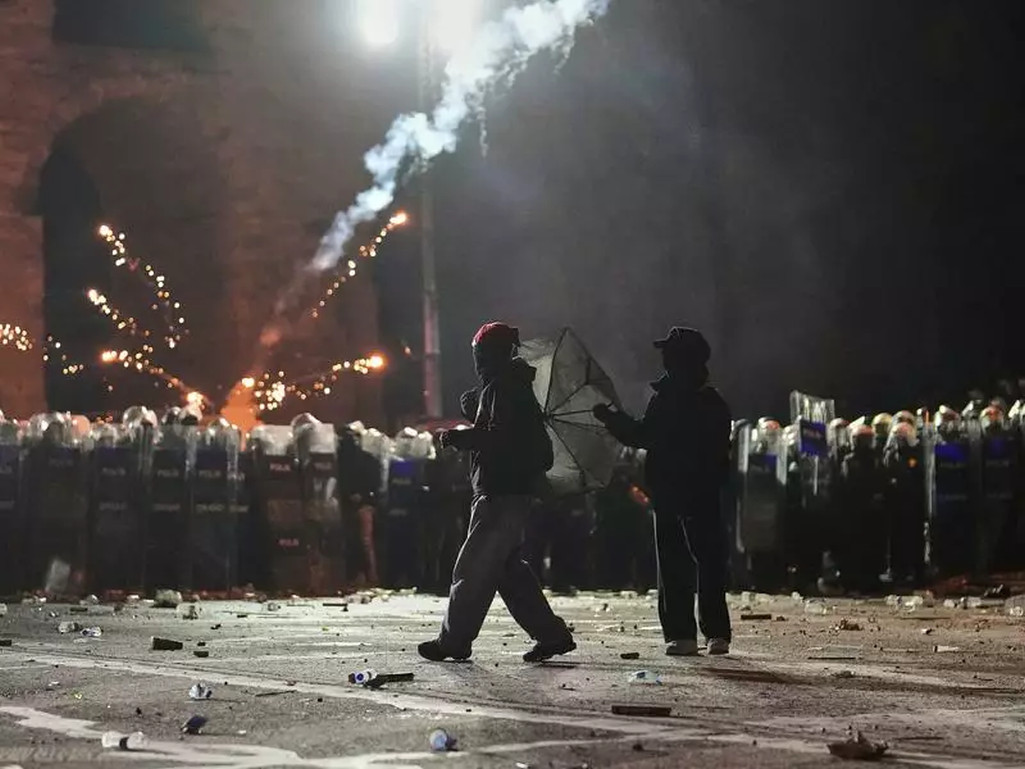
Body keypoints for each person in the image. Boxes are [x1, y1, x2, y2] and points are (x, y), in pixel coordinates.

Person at [418, 322, 576, 663]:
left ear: (489, 354)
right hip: (507, 491)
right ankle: (552, 636)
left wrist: (461, 436)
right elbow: (504, 431)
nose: (476, 361)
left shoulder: (504, 387)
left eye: (479, 354)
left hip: (500, 493)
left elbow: (502, 439)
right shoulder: (509, 386)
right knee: (508, 571)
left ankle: (454, 641)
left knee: (472, 568)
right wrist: (475, 410)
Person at [593, 326, 733, 656]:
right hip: (704, 493)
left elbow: (643, 435)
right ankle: (716, 633)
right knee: (709, 561)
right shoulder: (714, 403)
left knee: (673, 562)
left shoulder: (667, 400)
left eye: (668, 352)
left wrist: (611, 419)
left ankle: (682, 634)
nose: (663, 358)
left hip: (671, 492)